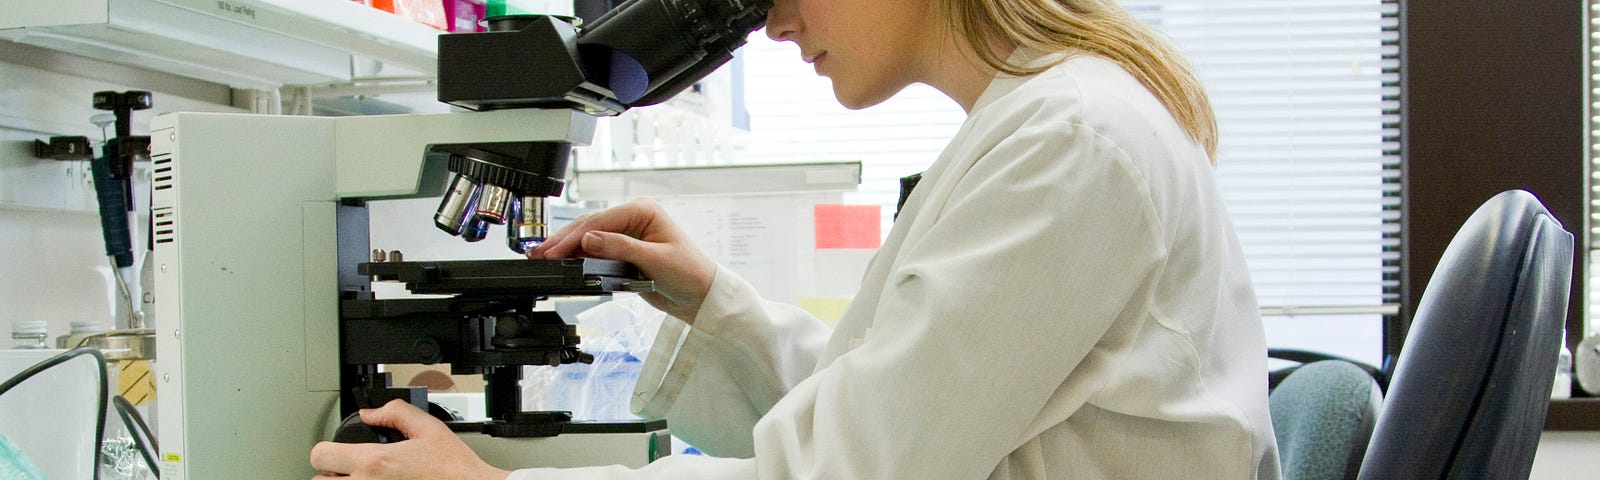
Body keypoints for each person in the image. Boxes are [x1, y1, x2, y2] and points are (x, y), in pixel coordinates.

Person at [309, 0, 1282, 478]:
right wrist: (713, 298)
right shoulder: (1050, 121)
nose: (771, 22)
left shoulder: (1065, 140)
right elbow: (905, 409)